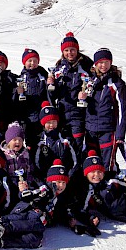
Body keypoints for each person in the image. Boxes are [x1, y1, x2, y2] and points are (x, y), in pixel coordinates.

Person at [0, 159, 100, 249]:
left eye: (63, 182)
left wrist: (72, 223)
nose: (60, 185)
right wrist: (25, 192)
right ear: (50, 181)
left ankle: (0, 240)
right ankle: (2, 224)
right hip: (27, 211)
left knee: (36, 240)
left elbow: (64, 213)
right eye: (57, 182)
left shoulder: (63, 199)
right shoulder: (45, 190)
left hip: (39, 223)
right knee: (37, 219)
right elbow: (28, 194)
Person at [78, 48, 126, 178]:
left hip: (108, 129)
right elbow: (84, 106)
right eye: (100, 62)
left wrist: (120, 134)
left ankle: (108, 187)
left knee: (107, 163)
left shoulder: (117, 83)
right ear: (95, 64)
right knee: (92, 161)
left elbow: (124, 110)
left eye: (106, 62)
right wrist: (82, 98)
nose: (103, 65)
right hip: (90, 129)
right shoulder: (90, 81)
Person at [47, 32, 94, 163]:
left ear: (77, 50)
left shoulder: (86, 66)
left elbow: (92, 87)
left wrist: (86, 95)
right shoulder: (58, 68)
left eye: (72, 50)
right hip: (62, 114)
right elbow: (53, 94)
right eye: (66, 50)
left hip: (79, 114)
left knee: (77, 145)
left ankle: (77, 171)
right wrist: (51, 86)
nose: (70, 53)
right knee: (63, 145)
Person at [12, 48, 48, 149]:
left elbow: (47, 93)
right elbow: (15, 99)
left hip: (40, 113)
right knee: (30, 142)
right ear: (24, 62)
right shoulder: (21, 77)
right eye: (29, 61)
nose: (32, 63)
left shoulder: (42, 76)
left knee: (42, 141)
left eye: (35, 61)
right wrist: (18, 92)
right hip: (27, 116)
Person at [34, 101, 77, 182]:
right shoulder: (40, 141)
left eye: (54, 122)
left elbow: (74, 159)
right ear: (43, 123)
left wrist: (69, 174)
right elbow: (37, 163)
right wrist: (44, 177)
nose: (51, 125)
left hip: (64, 177)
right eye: (48, 122)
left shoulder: (65, 138)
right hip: (48, 178)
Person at [1, 122, 36, 188]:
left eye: (20, 140)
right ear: (8, 142)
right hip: (11, 184)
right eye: (15, 140)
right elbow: (3, 172)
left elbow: (30, 169)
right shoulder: (5, 155)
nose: (18, 142)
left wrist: (29, 182)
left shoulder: (26, 154)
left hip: (24, 183)